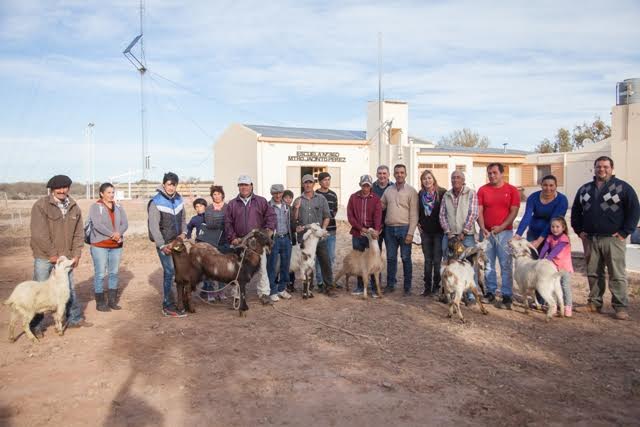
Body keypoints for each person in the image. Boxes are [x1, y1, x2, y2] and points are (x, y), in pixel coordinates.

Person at [571, 156, 640, 320]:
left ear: (612, 168)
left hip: (613, 239)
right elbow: (575, 212)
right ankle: (594, 303)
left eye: (605, 166)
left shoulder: (623, 188)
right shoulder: (585, 189)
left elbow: (634, 211)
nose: (601, 169)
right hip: (591, 239)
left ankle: (620, 307)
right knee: (593, 272)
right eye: (598, 166)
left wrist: (625, 232)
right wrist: (579, 231)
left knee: (617, 274)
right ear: (594, 169)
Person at [30, 174, 92, 336]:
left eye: (65, 187)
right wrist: (51, 254)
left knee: (69, 288)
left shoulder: (74, 206)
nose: (62, 190)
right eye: (58, 187)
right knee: (40, 289)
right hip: (44, 256)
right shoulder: (41, 205)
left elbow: (79, 234)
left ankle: (74, 319)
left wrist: (76, 254)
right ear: (51, 189)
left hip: (65, 258)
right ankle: (36, 324)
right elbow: (39, 233)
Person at [225, 175, 276, 304]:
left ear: (251, 186)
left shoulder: (261, 201)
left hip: (257, 242)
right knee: (239, 270)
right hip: (240, 243)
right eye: (241, 185)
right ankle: (237, 295)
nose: (244, 187)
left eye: (246, 185)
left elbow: (271, 217)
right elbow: (228, 223)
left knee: (262, 268)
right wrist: (233, 238)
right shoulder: (232, 204)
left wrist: (268, 231)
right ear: (238, 187)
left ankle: (264, 293)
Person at [477, 163, 520, 309]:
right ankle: (490, 292)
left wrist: (501, 227)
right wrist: (482, 228)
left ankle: (507, 295)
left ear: (502, 173)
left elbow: (513, 212)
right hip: (487, 233)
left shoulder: (512, 190)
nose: (492, 175)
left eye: (495, 172)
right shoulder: (483, 190)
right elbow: (479, 211)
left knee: (506, 265)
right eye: (489, 173)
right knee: (488, 265)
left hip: (505, 233)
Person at [148, 172, 187, 318]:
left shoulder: (179, 199)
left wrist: (184, 233)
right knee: (169, 271)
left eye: (174, 184)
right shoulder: (156, 201)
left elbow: (183, 219)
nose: (171, 187)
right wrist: (162, 245)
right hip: (164, 244)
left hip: (178, 242)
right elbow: (154, 227)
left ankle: (180, 301)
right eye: (169, 184)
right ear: (164, 184)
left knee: (179, 272)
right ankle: (167, 305)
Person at [88, 182, 129, 312]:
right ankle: (100, 302)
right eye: (108, 192)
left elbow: (125, 223)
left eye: (113, 192)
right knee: (100, 273)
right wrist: (112, 234)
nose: (111, 195)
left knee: (114, 273)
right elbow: (97, 225)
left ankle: (112, 301)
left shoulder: (118, 206)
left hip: (116, 245)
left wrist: (119, 234)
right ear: (101, 193)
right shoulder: (96, 207)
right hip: (100, 244)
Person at [439, 170, 479, 303]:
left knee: (469, 264)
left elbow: (473, 214)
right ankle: (449, 293)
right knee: (448, 263)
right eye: (453, 178)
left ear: (463, 180)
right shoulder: (447, 195)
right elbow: (442, 215)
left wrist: (464, 232)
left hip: (466, 236)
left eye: (458, 177)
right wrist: (448, 231)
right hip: (449, 235)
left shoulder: (471, 193)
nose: (455, 180)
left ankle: (471, 295)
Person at [292, 174, 335, 296]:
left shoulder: (321, 199)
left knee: (325, 261)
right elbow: (294, 220)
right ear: (302, 184)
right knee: (305, 263)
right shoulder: (298, 200)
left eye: (310, 182)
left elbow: (327, 216)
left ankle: (328, 286)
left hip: (318, 238)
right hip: (304, 240)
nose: (308, 185)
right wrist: (296, 209)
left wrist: (323, 230)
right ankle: (308, 288)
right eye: (305, 182)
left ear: (313, 184)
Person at [380, 164, 418, 296]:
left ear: (405, 174)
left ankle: (407, 287)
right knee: (391, 258)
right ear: (394, 174)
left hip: (404, 228)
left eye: (402, 172)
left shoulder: (411, 191)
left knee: (406, 258)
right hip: (389, 229)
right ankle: (390, 284)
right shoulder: (388, 190)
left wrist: (411, 233)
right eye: (397, 173)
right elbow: (381, 206)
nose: (399, 175)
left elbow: (414, 214)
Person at [346, 174, 382, 296]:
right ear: (360, 185)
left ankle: (374, 287)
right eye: (363, 185)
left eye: (367, 185)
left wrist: (376, 230)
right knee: (360, 260)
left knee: (374, 260)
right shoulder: (353, 197)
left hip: (371, 235)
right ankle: (360, 286)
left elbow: (378, 216)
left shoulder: (376, 199)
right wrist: (361, 228)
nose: (365, 187)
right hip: (358, 232)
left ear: (370, 186)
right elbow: (350, 216)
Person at [515, 175, 568, 248]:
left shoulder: (562, 200)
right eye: (545, 185)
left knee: (549, 258)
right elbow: (527, 216)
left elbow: (553, 221)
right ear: (541, 186)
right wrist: (517, 235)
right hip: (533, 233)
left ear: (556, 186)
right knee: (532, 257)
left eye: (551, 185)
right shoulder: (533, 197)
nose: (548, 188)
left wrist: (539, 241)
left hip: (553, 233)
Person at [417, 170, 446, 296]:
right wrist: (418, 222)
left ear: (433, 179)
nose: (427, 180)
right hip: (426, 233)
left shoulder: (442, 193)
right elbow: (417, 210)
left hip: (439, 232)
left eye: (429, 178)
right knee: (428, 260)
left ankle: (436, 286)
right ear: (422, 181)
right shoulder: (420, 194)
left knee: (437, 261)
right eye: (424, 179)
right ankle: (427, 287)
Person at [538, 217, 573, 317]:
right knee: (552, 285)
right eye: (553, 226)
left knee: (564, 286)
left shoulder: (564, 238)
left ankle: (568, 306)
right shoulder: (549, 237)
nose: (555, 229)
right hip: (553, 266)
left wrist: (547, 259)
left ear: (563, 227)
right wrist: (540, 259)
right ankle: (553, 306)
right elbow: (545, 248)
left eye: (558, 227)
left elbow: (556, 250)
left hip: (564, 267)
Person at [266, 184, 293, 302]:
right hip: (274, 239)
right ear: (272, 194)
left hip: (286, 238)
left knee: (285, 265)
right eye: (275, 193)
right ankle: (272, 290)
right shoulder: (267, 206)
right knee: (271, 265)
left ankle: (282, 288)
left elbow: (290, 222)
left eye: (280, 193)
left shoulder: (286, 206)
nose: (278, 195)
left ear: (282, 193)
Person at [203, 185, 229, 301]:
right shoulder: (208, 208)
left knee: (223, 267)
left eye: (218, 194)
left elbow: (230, 223)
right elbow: (209, 223)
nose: (217, 196)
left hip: (224, 241)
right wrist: (222, 224)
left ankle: (221, 292)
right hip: (211, 241)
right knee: (211, 267)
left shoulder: (228, 207)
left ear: (222, 194)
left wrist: (221, 224)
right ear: (212, 196)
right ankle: (211, 293)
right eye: (214, 194)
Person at [314, 172, 338, 287]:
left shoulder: (333, 195)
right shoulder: (315, 195)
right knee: (319, 257)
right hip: (319, 232)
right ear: (319, 182)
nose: (327, 182)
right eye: (324, 180)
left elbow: (334, 210)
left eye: (329, 179)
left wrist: (328, 218)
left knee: (331, 256)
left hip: (331, 230)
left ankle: (329, 280)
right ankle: (320, 281)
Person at [372, 165, 394, 251]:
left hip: (390, 224)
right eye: (380, 173)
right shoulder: (371, 188)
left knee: (391, 252)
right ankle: (377, 265)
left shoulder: (394, 187)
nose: (382, 176)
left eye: (384, 173)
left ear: (388, 174)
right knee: (376, 251)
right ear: (376, 175)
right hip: (376, 225)